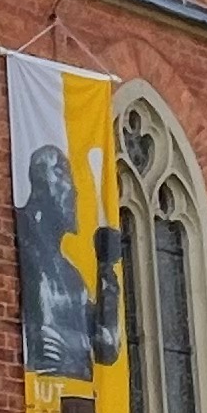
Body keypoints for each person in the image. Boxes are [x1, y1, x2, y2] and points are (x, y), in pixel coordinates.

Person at [14, 144, 123, 377]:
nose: (75, 191)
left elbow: (106, 347)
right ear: (42, 183)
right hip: (40, 395)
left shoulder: (72, 278)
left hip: (76, 399)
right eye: (64, 175)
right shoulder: (22, 240)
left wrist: (106, 271)